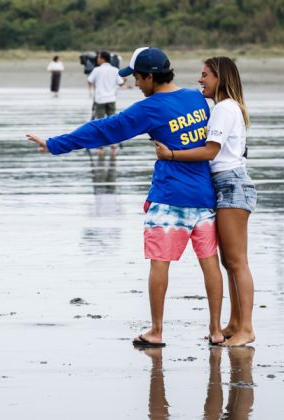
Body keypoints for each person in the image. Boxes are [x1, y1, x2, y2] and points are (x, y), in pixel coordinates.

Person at [26, 47, 224, 347]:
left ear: (150, 76)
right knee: (210, 263)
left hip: (169, 198)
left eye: (137, 78)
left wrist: (56, 144)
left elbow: (105, 130)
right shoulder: (197, 98)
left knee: (160, 264)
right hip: (205, 198)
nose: (135, 84)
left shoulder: (150, 108)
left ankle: (156, 331)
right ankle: (216, 330)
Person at [154, 57, 257, 347]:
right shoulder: (224, 108)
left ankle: (246, 328)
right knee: (229, 261)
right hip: (226, 185)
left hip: (231, 185)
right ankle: (235, 323)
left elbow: (211, 151)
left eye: (205, 76)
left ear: (220, 78)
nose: (200, 81)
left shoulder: (224, 109)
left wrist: (171, 155)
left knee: (237, 262)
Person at [87, 51, 126, 155]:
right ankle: (113, 145)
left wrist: (92, 91)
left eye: (98, 58)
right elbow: (121, 83)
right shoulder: (115, 70)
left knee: (100, 122)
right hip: (111, 99)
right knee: (112, 122)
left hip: (100, 99)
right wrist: (124, 80)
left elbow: (90, 80)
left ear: (103, 59)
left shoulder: (96, 70)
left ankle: (101, 146)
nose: (97, 59)